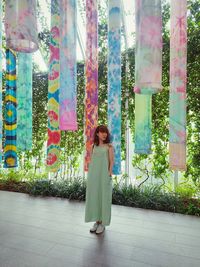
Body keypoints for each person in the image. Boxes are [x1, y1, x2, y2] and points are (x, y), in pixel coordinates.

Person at [85, 125, 114, 234]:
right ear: (97, 134)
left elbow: (111, 161)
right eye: (102, 132)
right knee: (95, 197)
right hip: (93, 176)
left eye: (105, 132)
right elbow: (92, 162)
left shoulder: (109, 147)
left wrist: (109, 174)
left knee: (104, 198)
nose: (104, 134)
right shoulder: (93, 146)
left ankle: (102, 223)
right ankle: (97, 221)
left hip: (104, 175)